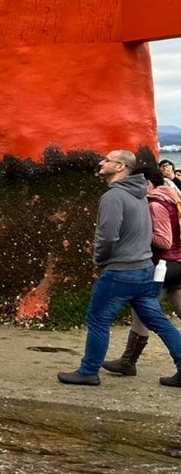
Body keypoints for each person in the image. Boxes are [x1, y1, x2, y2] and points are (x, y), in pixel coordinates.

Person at [57, 149, 181, 387]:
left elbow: (107, 237)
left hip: (121, 271)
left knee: (98, 319)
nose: (101, 163)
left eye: (107, 160)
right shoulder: (140, 195)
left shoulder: (113, 197)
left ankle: (88, 371)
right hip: (145, 270)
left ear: (121, 166)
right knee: (159, 322)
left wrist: (99, 260)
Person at [102, 165, 181, 376]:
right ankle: (128, 361)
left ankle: (128, 361)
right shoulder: (172, 197)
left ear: (147, 184)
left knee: (143, 311)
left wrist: (140, 234)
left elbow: (164, 241)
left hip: (162, 265)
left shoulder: (155, 204)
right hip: (176, 263)